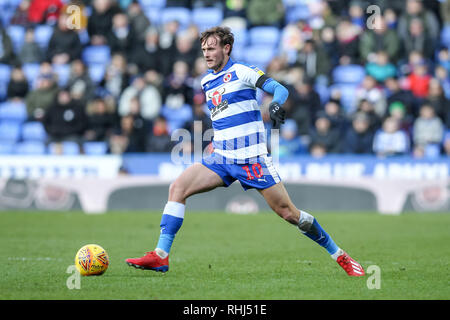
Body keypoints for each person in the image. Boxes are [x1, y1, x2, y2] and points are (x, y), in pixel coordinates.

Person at [125, 26, 365, 277]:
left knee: (289, 214)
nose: (206, 54)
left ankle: (340, 255)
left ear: (226, 48)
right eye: (204, 49)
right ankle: (161, 256)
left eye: (212, 48)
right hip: (222, 158)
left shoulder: (242, 71)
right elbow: (223, 118)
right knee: (178, 188)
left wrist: (274, 105)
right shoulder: (206, 81)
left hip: (252, 160)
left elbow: (281, 89)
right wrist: (216, 142)